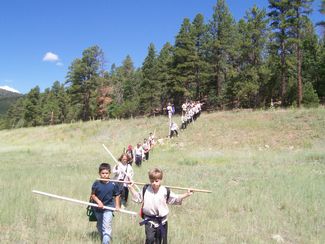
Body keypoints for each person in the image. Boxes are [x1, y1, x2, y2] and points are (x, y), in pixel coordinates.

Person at [128, 168, 193, 244]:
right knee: (150, 239)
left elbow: (176, 198)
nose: (154, 183)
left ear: (161, 180)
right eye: (152, 181)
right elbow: (138, 198)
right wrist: (130, 187)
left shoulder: (165, 191)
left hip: (162, 221)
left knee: (160, 241)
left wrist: (187, 194)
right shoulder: (145, 189)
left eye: (156, 181)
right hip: (149, 220)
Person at [91, 163, 121, 244]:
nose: (104, 175)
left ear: (109, 173)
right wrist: (98, 202)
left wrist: (117, 206)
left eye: (106, 173)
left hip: (109, 208)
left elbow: (117, 195)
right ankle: (104, 240)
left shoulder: (113, 184)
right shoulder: (96, 183)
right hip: (98, 208)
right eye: (103, 173)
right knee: (100, 227)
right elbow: (93, 195)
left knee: (107, 226)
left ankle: (106, 242)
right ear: (99, 173)